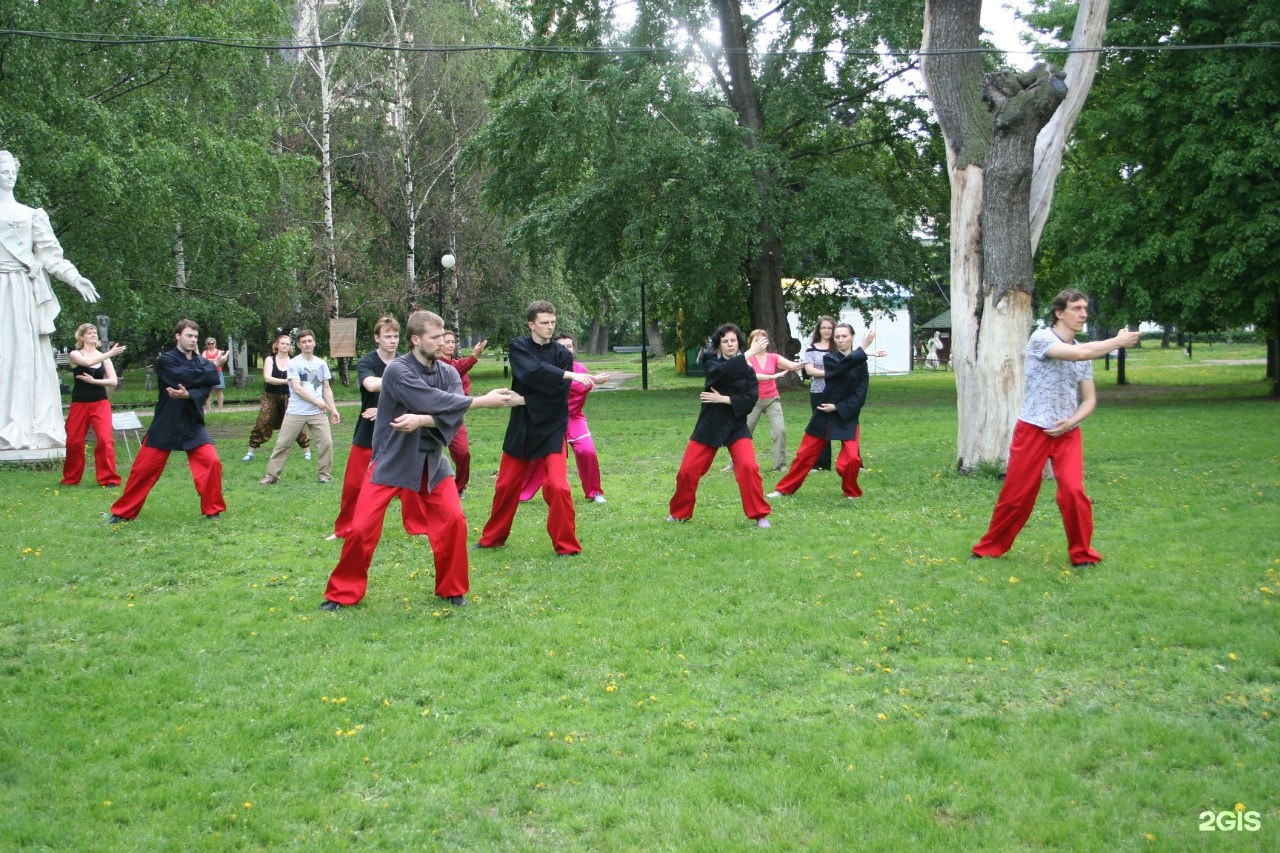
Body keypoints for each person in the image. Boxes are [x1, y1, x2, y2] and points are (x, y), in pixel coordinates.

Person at [320, 311, 521, 610]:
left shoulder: (450, 373)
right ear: (415, 340)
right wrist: (481, 401)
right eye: (435, 338)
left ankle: (452, 589)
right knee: (361, 528)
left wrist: (420, 420)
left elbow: (451, 415)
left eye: (443, 337)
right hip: (391, 460)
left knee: (454, 521)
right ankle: (342, 594)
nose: (442, 343)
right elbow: (432, 400)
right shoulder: (398, 371)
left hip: (432, 462)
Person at [971, 290, 1142, 568]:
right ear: (1059, 313)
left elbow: (1089, 399)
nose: (1083, 314)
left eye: (1085, 308)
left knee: (1074, 492)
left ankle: (1083, 555)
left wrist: (1073, 421)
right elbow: (1077, 353)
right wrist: (1119, 341)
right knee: (1017, 496)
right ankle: (989, 548)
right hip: (1033, 429)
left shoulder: (1085, 352)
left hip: (1067, 433)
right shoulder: (1041, 338)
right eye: (1076, 308)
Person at [474, 301, 595, 556]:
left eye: (553, 322)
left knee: (558, 487)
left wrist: (526, 399)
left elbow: (558, 395)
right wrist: (567, 376)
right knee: (506, 485)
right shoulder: (518, 347)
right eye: (544, 323)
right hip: (522, 426)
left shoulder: (563, 354)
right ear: (531, 324)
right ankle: (492, 539)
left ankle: (567, 546)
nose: (550, 327)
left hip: (552, 425)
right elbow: (530, 372)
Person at [0, 149, 101, 454]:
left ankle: (26, 422)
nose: (8, 175)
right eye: (2, 171)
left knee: (23, 356)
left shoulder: (31, 215)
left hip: (21, 292)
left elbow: (51, 256)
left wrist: (75, 277)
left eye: (11, 170)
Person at [105, 319, 225, 522]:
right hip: (166, 423)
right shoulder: (166, 359)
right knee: (143, 470)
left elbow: (209, 383)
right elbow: (183, 377)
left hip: (192, 423)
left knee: (211, 462)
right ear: (178, 336)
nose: (193, 340)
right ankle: (122, 512)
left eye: (196, 336)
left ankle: (213, 511)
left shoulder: (201, 361)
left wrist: (190, 394)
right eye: (189, 335)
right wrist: (211, 369)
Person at [329, 316, 429, 541]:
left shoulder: (407, 362)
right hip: (368, 432)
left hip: (400, 429)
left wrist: (386, 412)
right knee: (354, 485)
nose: (392, 341)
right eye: (387, 336)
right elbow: (371, 384)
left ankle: (418, 526)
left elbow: (418, 392)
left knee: (409, 484)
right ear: (377, 338)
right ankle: (344, 528)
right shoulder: (367, 362)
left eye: (395, 336)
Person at [667, 323, 772, 528]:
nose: (730, 344)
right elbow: (721, 373)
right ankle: (679, 513)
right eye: (725, 341)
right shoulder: (711, 362)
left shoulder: (748, 370)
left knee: (748, 467)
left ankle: (760, 515)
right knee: (687, 471)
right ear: (719, 345)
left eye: (733, 340)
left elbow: (750, 398)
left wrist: (724, 399)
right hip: (709, 424)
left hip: (736, 426)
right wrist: (751, 352)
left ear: (738, 343)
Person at [769, 325, 884, 501]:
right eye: (837, 337)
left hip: (846, 415)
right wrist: (863, 349)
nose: (840, 340)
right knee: (804, 456)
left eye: (844, 336)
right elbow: (840, 368)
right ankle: (783, 489)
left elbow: (860, 396)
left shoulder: (861, 364)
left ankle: (851, 491)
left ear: (851, 337)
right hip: (824, 413)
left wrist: (838, 408)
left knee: (852, 459)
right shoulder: (831, 359)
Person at [519, 333, 610, 503]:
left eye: (569, 346)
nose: (566, 349)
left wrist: (588, 381)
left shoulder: (581, 369)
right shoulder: (546, 369)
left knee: (587, 450)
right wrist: (591, 381)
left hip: (574, 418)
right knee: (538, 456)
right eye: (562, 346)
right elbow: (557, 389)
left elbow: (582, 387)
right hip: (551, 418)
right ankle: (522, 493)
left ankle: (595, 492)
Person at [260, 329, 339, 484]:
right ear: (298, 345)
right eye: (304, 342)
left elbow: (326, 389)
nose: (307, 344)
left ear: (314, 343)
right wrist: (316, 401)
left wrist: (334, 410)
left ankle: (324, 475)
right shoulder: (294, 363)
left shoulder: (321, 364)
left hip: (317, 412)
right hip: (296, 411)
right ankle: (271, 476)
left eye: (310, 341)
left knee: (326, 442)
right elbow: (297, 388)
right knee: (283, 444)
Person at [726, 328, 805, 474]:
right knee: (743, 431)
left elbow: (791, 365)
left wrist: (802, 364)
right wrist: (772, 377)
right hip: (752, 400)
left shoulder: (773, 357)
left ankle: (779, 464)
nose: (759, 342)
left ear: (766, 342)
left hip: (771, 399)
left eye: (762, 339)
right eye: (756, 339)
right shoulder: (747, 359)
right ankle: (734, 463)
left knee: (780, 430)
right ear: (751, 342)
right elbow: (752, 376)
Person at [60, 323, 126, 486]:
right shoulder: (75, 354)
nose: (93, 335)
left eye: (95, 332)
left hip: (100, 403)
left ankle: (109, 479)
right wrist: (109, 353)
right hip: (79, 404)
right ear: (81, 337)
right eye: (89, 333)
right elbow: (88, 362)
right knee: (74, 442)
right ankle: (71, 478)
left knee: (104, 440)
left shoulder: (104, 358)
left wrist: (94, 381)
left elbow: (113, 381)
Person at [242, 333, 311, 462]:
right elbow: (268, 378)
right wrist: (287, 381)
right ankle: (250, 452)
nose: (285, 346)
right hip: (271, 396)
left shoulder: (294, 360)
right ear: (277, 345)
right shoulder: (270, 359)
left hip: (290, 397)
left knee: (297, 423)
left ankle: (307, 452)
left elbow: (302, 378)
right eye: (282, 343)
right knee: (262, 422)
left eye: (287, 344)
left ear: (290, 347)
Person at [439, 330, 488, 499]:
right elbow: (454, 370)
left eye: (453, 342)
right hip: (433, 417)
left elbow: (463, 385)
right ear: (439, 344)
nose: (451, 345)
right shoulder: (436, 365)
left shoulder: (459, 366)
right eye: (447, 342)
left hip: (455, 418)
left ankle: (458, 488)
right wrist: (474, 356)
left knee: (462, 453)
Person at [801, 317, 837, 471]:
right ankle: (821, 463)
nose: (827, 331)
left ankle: (855, 461)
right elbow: (810, 371)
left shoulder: (838, 347)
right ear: (819, 330)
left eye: (830, 328)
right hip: (818, 391)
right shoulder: (811, 348)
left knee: (845, 423)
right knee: (821, 426)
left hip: (837, 390)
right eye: (824, 328)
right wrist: (832, 373)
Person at [201, 337, 228, 413]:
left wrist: (210, 360)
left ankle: (220, 409)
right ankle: (209, 410)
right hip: (208, 373)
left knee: (219, 390)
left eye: (212, 343)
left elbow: (220, 359)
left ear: (215, 344)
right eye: (209, 344)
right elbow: (203, 360)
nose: (211, 345)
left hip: (218, 372)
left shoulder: (219, 351)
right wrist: (215, 360)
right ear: (207, 345)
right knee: (208, 391)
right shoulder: (205, 352)